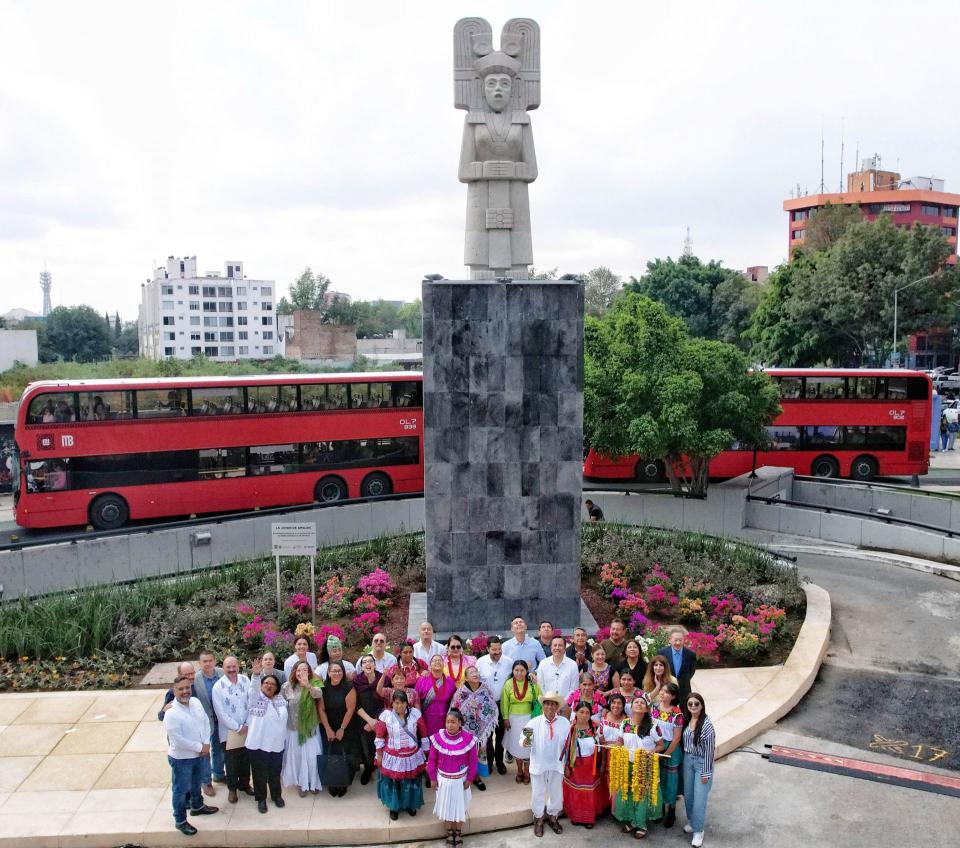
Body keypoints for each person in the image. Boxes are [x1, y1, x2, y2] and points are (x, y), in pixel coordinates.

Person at [163, 674, 219, 836]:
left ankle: (198, 806)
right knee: (180, 790)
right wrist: (199, 747)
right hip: (182, 759)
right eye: (181, 689)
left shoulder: (195, 702)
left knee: (196, 784)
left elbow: (205, 722)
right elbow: (178, 739)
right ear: (174, 691)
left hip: (200, 754)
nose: (185, 691)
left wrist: (206, 743)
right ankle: (180, 821)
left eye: (187, 688)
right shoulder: (171, 713)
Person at [612, 695, 665, 839]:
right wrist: (617, 748)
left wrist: (649, 753)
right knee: (628, 792)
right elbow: (620, 741)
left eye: (642, 703)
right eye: (636, 702)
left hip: (645, 766)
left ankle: (641, 824)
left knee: (641, 795)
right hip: (627, 765)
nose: (639, 704)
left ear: (646, 708)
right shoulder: (625, 724)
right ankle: (633, 821)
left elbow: (661, 745)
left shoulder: (653, 726)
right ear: (631, 706)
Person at [427, 709, 478, 847]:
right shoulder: (438, 737)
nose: (450, 725)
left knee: (460, 808)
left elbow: (473, 761)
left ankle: (458, 832)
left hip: (461, 781)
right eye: (448, 722)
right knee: (446, 808)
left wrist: (470, 779)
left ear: (459, 723)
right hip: (443, 780)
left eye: (453, 722)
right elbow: (432, 759)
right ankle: (449, 832)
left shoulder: (468, 739)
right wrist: (432, 777)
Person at [375, 690, 429, 821]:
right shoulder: (386, 716)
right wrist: (379, 756)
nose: (400, 706)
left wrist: (426, 754)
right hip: (393, 757)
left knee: (410, 781)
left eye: (403, 703)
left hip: (412, 756)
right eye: (397, 703)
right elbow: (379, 737)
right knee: (394, 782)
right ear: (392, 703)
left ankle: (410, 805)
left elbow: (424, 734)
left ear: (407, 703)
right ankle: (394, 807)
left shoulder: (415, 714)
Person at [523, 690, 570, 837]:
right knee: (538, 792)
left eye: (553, 704)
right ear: (543, 706)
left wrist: (568, 764)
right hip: (539, 764)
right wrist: (525, 741)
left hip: (557, 764)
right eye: (547, 703)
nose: (550, 707)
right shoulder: (533, 722)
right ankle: (538, 820)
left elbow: (568, 746)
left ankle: (553, 817)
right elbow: (525, 740)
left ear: (557, 707)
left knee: (556, 792)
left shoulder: (564, 723)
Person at [279, 660, 324, 797]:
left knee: (312, 757)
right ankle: (300, 782)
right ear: (294, 672)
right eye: (299, 670)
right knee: (297, 757)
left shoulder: (314, 684)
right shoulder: (287, 686)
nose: (301, 673)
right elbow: (280, 704)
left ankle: (313, 781)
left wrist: (308, 686)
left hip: (310, 729)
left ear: (309, 672)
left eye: (305, 670)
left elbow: (318, 694)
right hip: (294, 729)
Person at [211, 656, 253, 803]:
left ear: (238, 666)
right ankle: (232, 789)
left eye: (234, 666)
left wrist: (247, 724)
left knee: (246, 758)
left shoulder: (245, 680)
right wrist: (237, 727)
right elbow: (220, 713)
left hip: (247, 728)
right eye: (228, 667)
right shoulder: (218, 687)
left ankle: (245, 784)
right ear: (223, 668)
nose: (231, 670)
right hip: (230, 732)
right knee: (232, 762)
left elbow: (252, 702)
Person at [450, 666, 499, 791]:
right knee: (466, 753)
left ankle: (476, 777)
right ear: (466, 677)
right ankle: (465, 776)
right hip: (465, 729)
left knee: (478, 752)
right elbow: (454, 710)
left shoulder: (485, 689)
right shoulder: (461, 692)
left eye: (476, 671)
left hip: (481, 729)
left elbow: (492, 706)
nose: (475, 674)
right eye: (471, 672)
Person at [245, 673, 288, 813]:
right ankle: (261, 798)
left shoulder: (281, 700)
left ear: (277, 688)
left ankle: (276, 796)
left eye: (273, 684)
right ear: (261, 685)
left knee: (275, 772)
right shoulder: (255, 698)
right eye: (266, 683)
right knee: (259, 774)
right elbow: (253, 689)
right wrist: (256, 675)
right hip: (258, 743)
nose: (269, 686)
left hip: (276, 743)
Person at [319, 660, 359, 797]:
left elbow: (350, 710)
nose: (337, 673)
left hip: (346, 726)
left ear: (343, 672)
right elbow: (321, 710)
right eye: (333, 671)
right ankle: (332, 781)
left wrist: (341, 729)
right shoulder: (323, 688)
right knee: (330, 754)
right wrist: (328, 729)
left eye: (339, 671)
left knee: (344, 754)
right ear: (328, 673)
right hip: (328, 726)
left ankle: (343, 782)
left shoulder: (349, 687)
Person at [562, 702, 605, 828]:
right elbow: (566, 749)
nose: (584, 715)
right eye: (581, 712)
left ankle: (589, 818)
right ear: (576, 712)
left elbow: (602, 746)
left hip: (591, 766)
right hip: (575, 765)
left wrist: (602, 763)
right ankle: (576, 816)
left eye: (587, 713)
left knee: (589, 791)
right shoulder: (571, 728)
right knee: (576, 790)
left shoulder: (595, 727)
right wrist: (566, 766)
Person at [475, 635, 513, 775]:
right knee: (489, 736)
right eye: (494, 649)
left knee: (501, 735)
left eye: (499, 649)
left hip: (503, 704)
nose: (497, 652)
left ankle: (500, 761)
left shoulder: (508, 662)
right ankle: (489, 763)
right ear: (487, 649)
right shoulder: (480, 662)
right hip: (486, 705)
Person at [681, 692, 715, 848]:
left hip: (702, 763)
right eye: (690, 704)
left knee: (699, 799)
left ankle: (699, 831)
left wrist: (706, 773)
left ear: (702, 705)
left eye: (696, 704)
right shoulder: (687, 720)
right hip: (688, 760)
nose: (693, 706)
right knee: (688, 795)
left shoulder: (707, 725)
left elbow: (710, 751)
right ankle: (692, 822)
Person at [500, 659, 538, 785]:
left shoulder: (532, 684)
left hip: (529, 720)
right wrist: (505, 718)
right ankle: (519, 771)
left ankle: (527, 771)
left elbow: (539, 700)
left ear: (527, 671)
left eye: (522, 670)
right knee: (517, 747)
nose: (519, 673)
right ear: (513, 671)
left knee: (526, 746)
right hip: (513, 720)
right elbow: (504, 702)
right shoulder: (509, 684)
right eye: (516, 670)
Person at [652, 682, 684, 828]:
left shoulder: (677, 713)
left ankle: (671, 810)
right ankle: (659, 809)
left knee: (670, 781)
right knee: (657, 779)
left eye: (666, 692)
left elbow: (676, 738)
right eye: (662, 691)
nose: (662, 693)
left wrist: (665, 754)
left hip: (670, 749)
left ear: (673, 696)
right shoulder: (654, 708)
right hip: (656, 746)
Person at [195, 650, 226, 788]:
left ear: (214, 661)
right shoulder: (195, 680)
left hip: (222, 719)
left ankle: (219, 774)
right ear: (200, 663)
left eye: (210, 660)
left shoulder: (222, 673)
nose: (207, 664)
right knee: (205, 751)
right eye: (204, 661)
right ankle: (206, 782)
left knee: (219, 748)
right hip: (205, 721)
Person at [353, 653, 383, 786]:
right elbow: (355, 703)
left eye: (370, 661)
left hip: (381, 719)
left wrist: (376, 720)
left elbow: (386, 701)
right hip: (362, 720)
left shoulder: (383, 678)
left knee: (379, 745)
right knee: (365, 747)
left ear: (375, 664)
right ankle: (367, 768)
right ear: (361, 666)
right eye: (364, 662)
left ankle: (379, 767)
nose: (368, 664)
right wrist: (369, 721)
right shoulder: (357, 681)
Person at [415, 654, 458, 737]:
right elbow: (416, 700)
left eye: (440, 660)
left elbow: (455, 701)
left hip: (444, 720)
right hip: (426, 719)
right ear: (430, 665)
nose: (437, 662)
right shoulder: (423, 680)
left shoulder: (450, 681)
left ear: (443, 664)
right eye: (434, 660)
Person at [657, 627, 698, 706]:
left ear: (684, 640)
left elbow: (691, 671)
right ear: (670, 640)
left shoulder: (691, 654)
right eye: (675, 640)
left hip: (684, 689)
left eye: (680, 640)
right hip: (667, 688)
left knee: (684, 712)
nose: (678, 643)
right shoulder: (662, 653)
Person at [536, 635, 580, 703]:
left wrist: (563, 703)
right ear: (551, 647)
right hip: (547, 705)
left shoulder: (573, 665)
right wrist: (550, 702)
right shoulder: (543, 664)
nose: (557, 648)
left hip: (567, 706)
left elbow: (573, 688)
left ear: (565, 648)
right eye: (555, 645)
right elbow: (540, 686)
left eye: (560, 645)